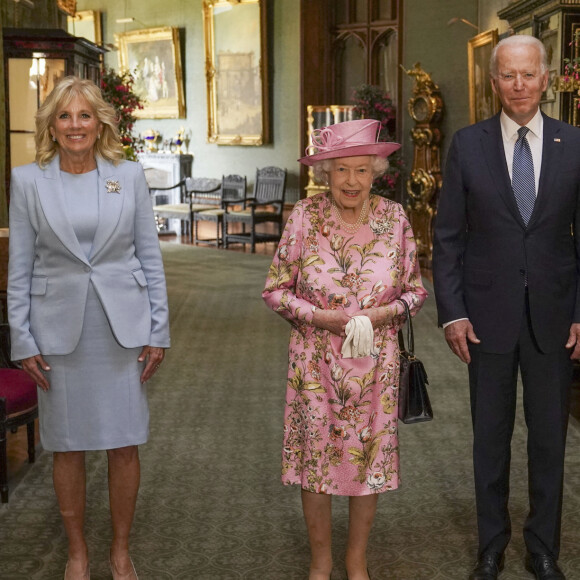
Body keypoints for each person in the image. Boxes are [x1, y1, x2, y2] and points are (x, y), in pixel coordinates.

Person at [7, 76, 170, 580]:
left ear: (100, 121)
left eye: (84, 115)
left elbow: (150, 255)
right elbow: (21, 266)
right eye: (64, 116)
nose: (75, 125)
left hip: (122, 329)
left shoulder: (129, 176)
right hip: (58, 331)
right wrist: (21, 337)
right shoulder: (28, 180)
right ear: (51, 126)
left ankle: (120, 549)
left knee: (124, 442)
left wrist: (157, 329)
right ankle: (77, 552)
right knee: (68, 443)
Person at [432, 35, 580, 580]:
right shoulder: (467, 145)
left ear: (546, 79)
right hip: (485, 319)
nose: (518, 85)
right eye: (507, 75)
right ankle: (490, 547)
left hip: (555, 320)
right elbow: (447, 237)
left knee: (549, 441)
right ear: (493, 81)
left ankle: (543, 548)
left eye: (528, 74)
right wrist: (452, 312)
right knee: (489, 439)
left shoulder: (576, 143)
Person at [263, 119, 427, 580]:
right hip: (315, 361)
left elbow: (415, 292)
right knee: (316, 461)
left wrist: (379, 316)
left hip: (376, 363)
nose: (351, 181)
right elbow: (275, 291)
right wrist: (320, 317)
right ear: (326, 173)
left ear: (376, 171)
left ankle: (356, 562)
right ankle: (321, 563)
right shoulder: (304, 217)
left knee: (368, 459)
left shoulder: (395, 218)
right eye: (341, 171)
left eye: (361, 170)